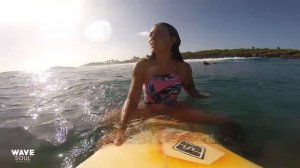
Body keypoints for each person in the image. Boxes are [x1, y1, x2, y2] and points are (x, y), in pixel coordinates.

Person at [97, 22, 238, 148]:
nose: (152, 37)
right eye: (150, 34)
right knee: (101, 122)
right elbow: (132, 99)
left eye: (158, 33)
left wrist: (203, 95)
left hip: (173, 109)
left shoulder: (184, 68)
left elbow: (191, 91)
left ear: (173, 40)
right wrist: (122, 128)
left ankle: (241, 150)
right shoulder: (142, 65)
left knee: (226, 121)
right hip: (147, 109)